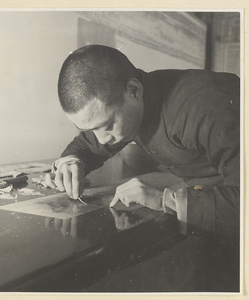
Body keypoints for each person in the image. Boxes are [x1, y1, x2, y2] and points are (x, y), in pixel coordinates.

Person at [45, 45, 240, 235]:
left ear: (134, 91)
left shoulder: (207, 107)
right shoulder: (128, 105)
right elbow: (86, 145)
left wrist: (164, 201)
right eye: (89, 128)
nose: (102, 140)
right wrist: (71, 162)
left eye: (107, 126)